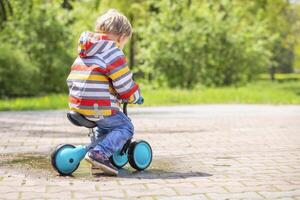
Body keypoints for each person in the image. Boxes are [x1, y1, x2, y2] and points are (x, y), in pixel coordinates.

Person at [66, 9, 143, 176]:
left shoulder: (87, 49)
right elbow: (124, 85)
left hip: (77, 104)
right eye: (124, 43)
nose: (122, 47)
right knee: (125, 127)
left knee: (106, 126)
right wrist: (135, 96)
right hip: (97, 107)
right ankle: (98, 153)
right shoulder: (112, 51)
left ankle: (98, 160)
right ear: (122, 37)